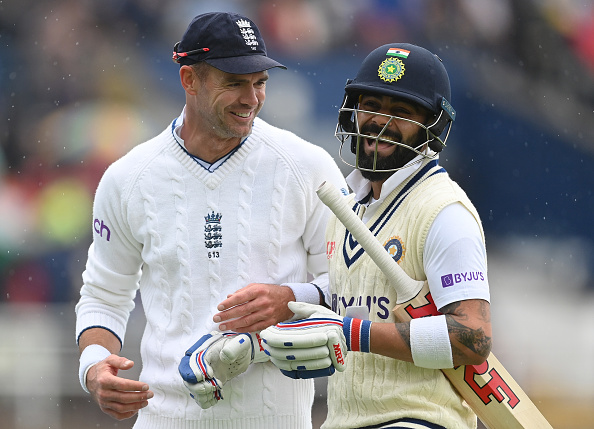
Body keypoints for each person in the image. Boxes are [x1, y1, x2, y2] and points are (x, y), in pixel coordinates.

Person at [75, 11, 347, 429]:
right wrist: (94, 367)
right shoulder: (128, 179)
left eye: (260, 82)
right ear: (189, 80)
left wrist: (291, 296)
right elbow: (104, 294)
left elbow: (351, 286)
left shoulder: (308, 167)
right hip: (163, 418)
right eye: (234, 82)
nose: (251, 98)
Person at [261, 43, 492, 429]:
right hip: (346, 420)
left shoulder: (444, 211)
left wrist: (351, 334)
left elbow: (472, 338)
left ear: (432, 127)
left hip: (418, 419)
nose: (379, 123)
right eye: (370, 106)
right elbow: (353, 300)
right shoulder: (347, 207)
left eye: (400, 112)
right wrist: (285, 309)